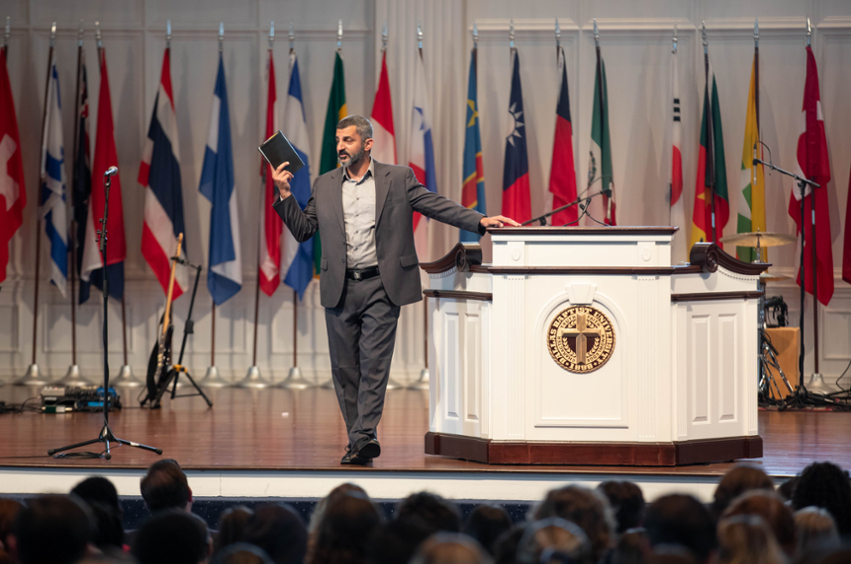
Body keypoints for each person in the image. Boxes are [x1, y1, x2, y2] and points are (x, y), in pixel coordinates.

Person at [272, 115, 519, 464]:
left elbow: (435, 204)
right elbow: (303, 230)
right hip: (339, 287)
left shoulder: (398, 178)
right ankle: (359, 438)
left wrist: (478, 220)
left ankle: (364, 436)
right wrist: (284, 193)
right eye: (338, 141)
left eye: (348, 141)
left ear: (367, 144)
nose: (341, 147)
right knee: (346, 370)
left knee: (374, 364)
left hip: (382, 285)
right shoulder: (324, 184)